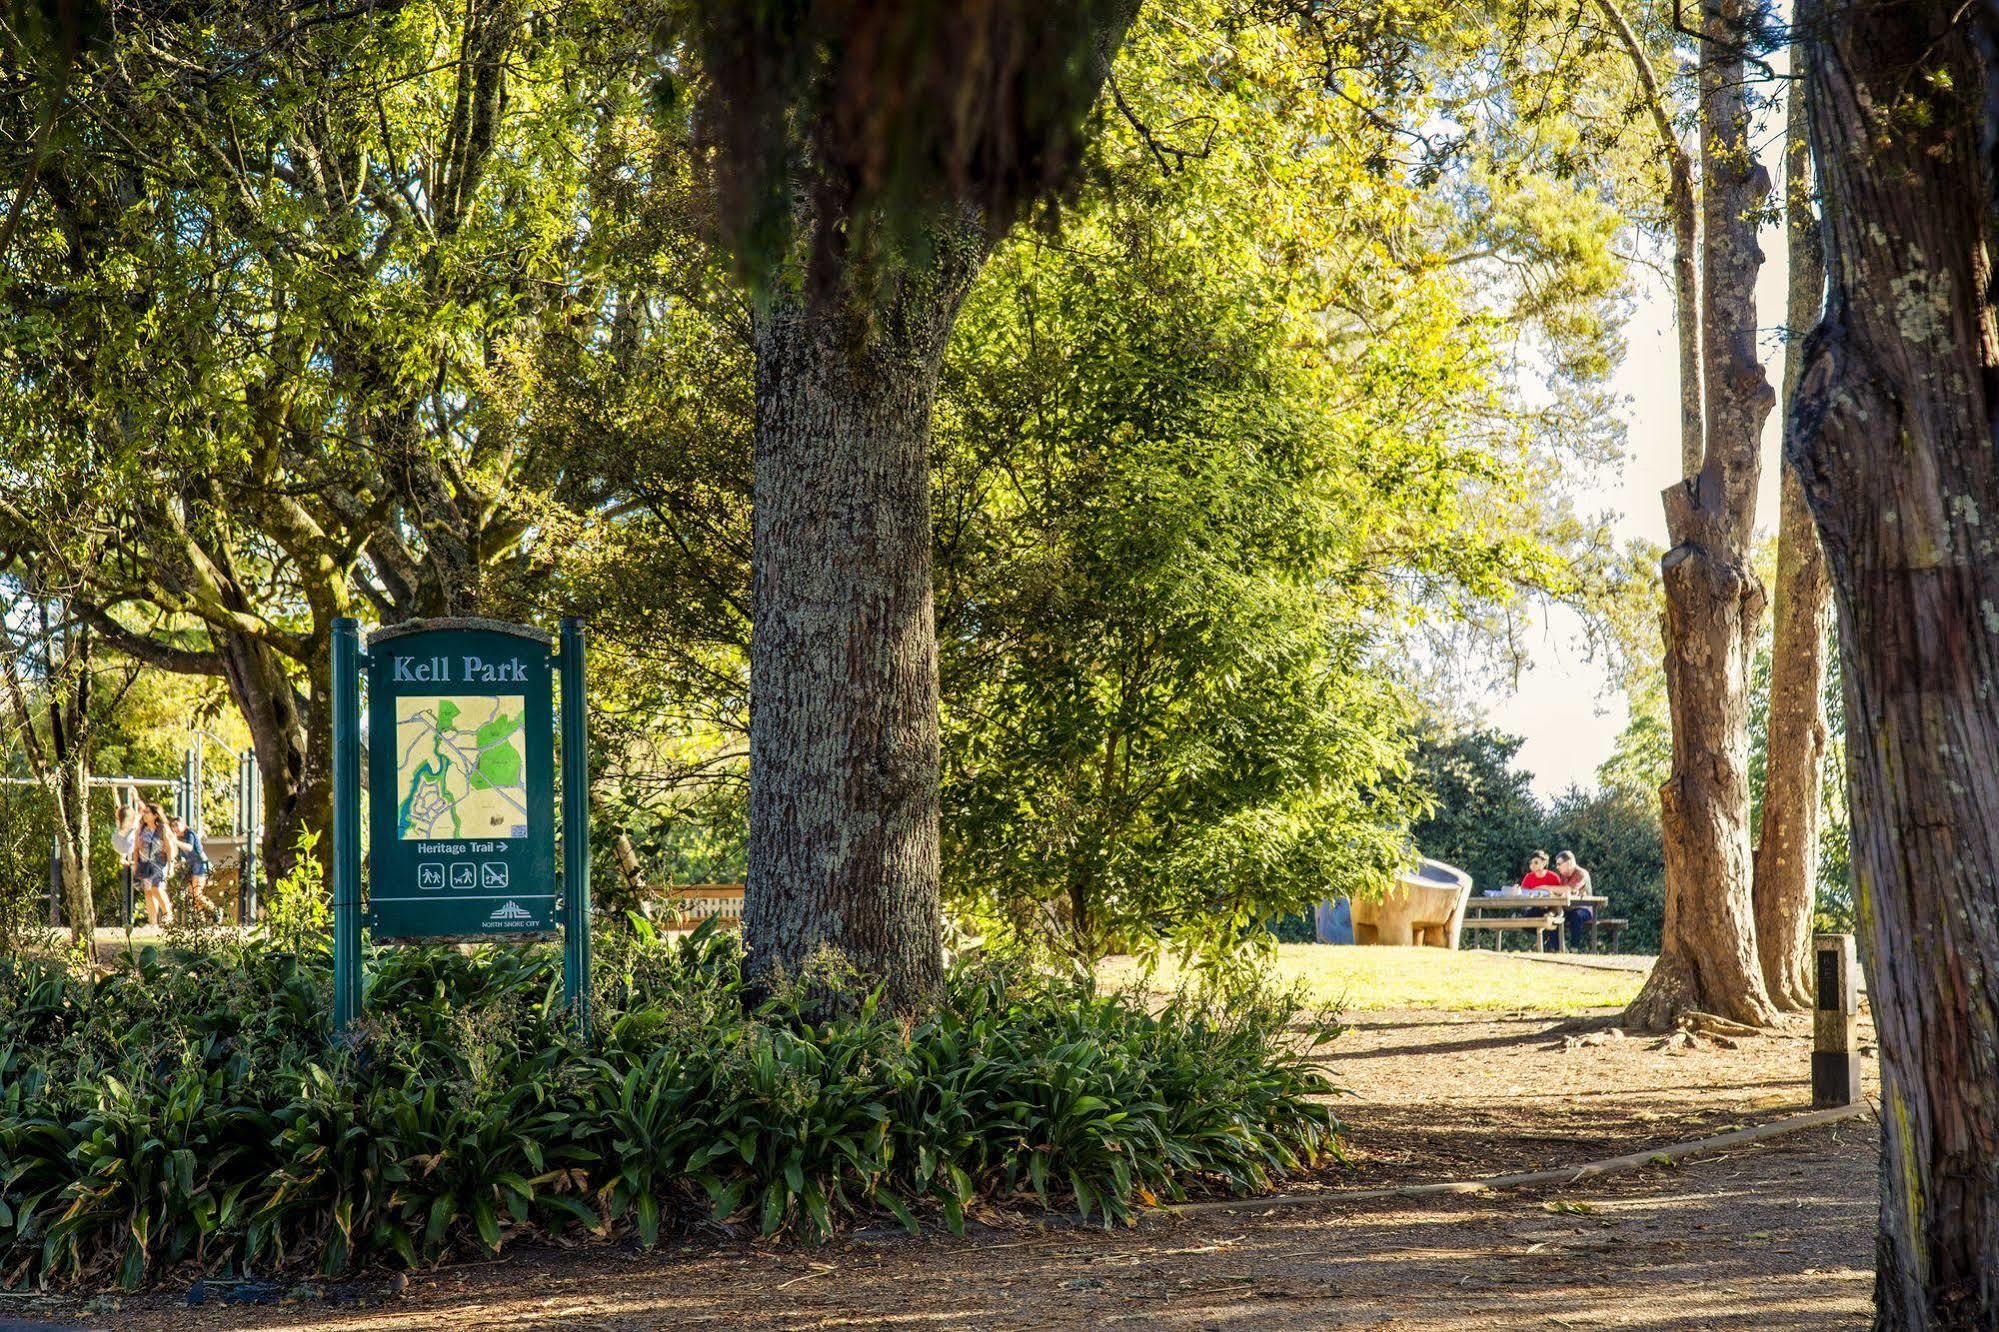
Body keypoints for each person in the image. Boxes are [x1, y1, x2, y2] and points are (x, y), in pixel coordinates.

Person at [131, 803, 176, 928]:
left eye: (147, 812)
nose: (144, 815)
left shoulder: (162, 828)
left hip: (159, 863)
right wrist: (135, 864)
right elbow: (135, 848)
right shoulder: (141, 829)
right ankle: (153, 923)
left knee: (157, 888)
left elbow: (170, 847)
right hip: (145, 864)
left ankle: (168, 914)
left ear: (155, 815)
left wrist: (171, 866)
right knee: (148, 892)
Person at [170, 815, 221, 924]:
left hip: (201, 865)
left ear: (183, 824)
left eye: (177, 825)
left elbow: (189, 847)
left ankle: (214, 910)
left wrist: (175, 842)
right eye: (173, 826)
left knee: (197, 894)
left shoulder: (190, 834)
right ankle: (200, 921)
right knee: (194, 895)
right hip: (191, 867)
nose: (175, 828)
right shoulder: (180, 838)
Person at [1555, 850, 1596, 950]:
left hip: (1585, 909)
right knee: (1552, 916)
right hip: (1568, 908)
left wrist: (1547, 888)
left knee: (1576, 916)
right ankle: (1557, 948)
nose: (1557, 867)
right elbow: (1562, 893)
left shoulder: (1581, 873)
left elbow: (1570, 889)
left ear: (1568, 863)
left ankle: (1574, 948)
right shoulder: (1564, 876)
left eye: (1559, 864)